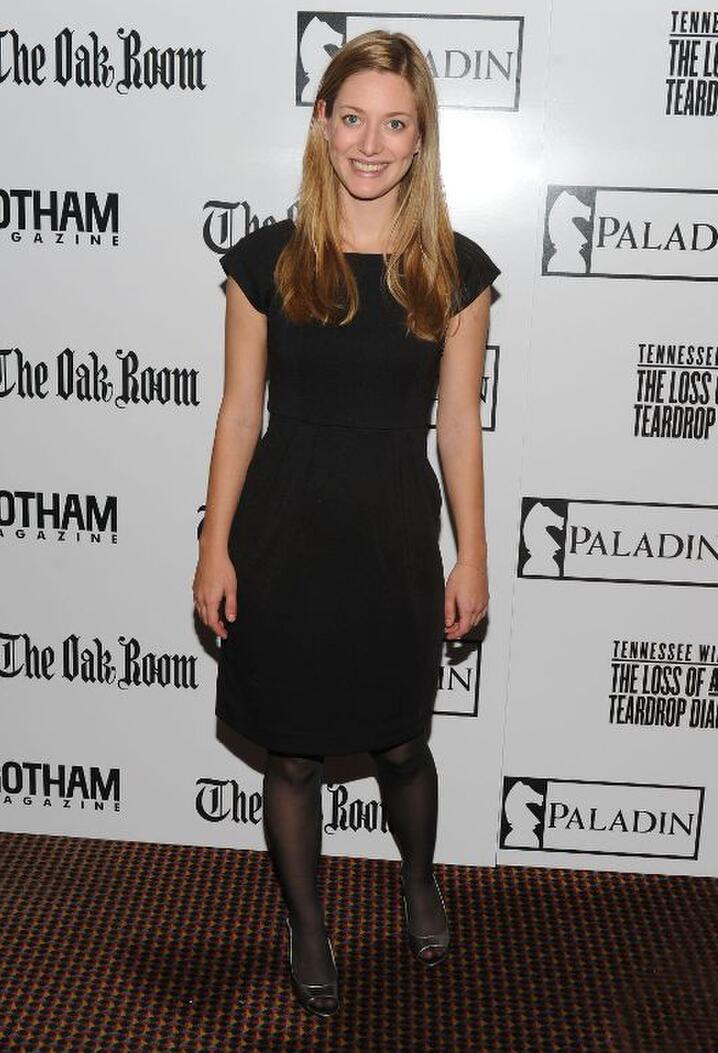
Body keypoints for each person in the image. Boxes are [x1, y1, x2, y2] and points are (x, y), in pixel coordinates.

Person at [192, 29, 500, 1018]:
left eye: (394, 123)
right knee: (291, 753)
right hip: (284, 533)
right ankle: (308, 924)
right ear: (322, 124)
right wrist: (212, 543)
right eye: (352, 117)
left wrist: (474, 554)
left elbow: (457, 423)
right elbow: (241, 412)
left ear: (421, 141)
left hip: (393, 539)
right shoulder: (264, 262)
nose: (370, 142)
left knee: (402, 742)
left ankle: (415, 876)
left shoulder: (454, 270)